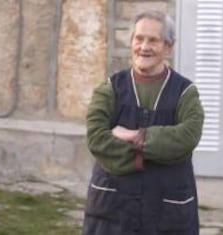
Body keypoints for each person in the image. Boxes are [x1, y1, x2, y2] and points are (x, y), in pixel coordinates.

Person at [82, 9, 204, 235]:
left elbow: (187, 137)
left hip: (167, 211)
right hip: (112, 209)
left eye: (153, 40)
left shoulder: (186, 93)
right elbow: (97, 138)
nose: (144, 47)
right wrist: (155, 152)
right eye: (139, 38)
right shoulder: (109, 89)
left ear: (169, 46)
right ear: (131, 42)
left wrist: (132, 137)